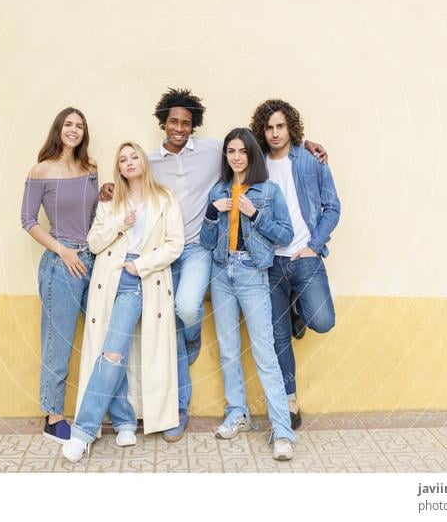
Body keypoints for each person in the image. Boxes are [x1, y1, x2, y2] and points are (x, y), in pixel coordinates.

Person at [100, 87, 329, 443]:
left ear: (194, 126)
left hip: (235, 266)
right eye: (173, 121)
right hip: (198, 262)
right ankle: (228, 412)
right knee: (213, 343)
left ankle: (282, 430)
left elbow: (262, 149)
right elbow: (129, 173)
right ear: (164, 122)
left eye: (186, 123)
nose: (179, 127)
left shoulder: (249, 179)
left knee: (239, 335)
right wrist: (110, 189)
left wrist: (305, 144)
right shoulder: (188, 176)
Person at [62, 142, 184, 463]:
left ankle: (82, 432)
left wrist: (139, 265)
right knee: (112, 350)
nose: (129, 163)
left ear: (143, 160)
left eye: (133, 157)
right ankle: (124, 420)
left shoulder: (164, 198)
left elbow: (175, 244)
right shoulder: (111, 201)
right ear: (119, 167)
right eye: (122, 159)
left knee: (113, 351)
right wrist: (121, 224)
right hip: (107, 280)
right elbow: (93, 242)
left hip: (137, 279)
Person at [199, 128, 296, 460]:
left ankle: (282, 432)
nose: (236, 156)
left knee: (264, 353)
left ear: (252, 154)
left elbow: (285, 234)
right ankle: (237, 413)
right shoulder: (219, 190)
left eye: (242, 151)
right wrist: (213, 213)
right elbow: (206, 242)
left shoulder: (268, 191)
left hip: (253, 274)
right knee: (228, 350)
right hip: (221, 273)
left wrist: (255, 213)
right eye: (230, 151)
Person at [250, 99, 341, 430]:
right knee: (277, 336)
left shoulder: (309, 160)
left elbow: (332, 207)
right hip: (270, 262)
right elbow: (232, 149)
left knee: (323, 321)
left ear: (291, 128)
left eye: (280, 127)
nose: (275, 133)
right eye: (269, 128)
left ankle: (298, 309)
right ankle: (289, 399)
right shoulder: (255, 163)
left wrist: (314, 246)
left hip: (304, 258)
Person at [21, 108, 98, 443]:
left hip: (92, 259)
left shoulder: (90, 168)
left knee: (101, 338)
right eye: (69, 124)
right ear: (58, 129)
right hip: (61, 263)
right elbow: (28, 220)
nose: (74, 130)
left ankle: (100, 411)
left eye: (79, 126)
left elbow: (95, 213)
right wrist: (62, 251)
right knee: (58, 340)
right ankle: (53, 416)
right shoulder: (41, 170)